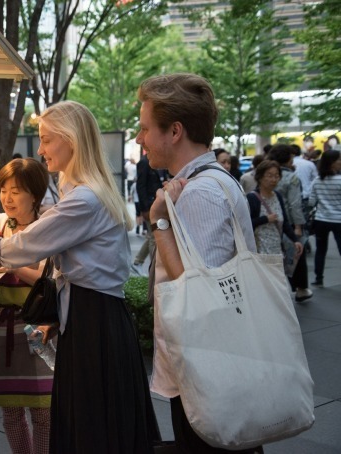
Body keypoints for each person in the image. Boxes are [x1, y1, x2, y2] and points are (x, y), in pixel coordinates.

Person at [0, 101, 160, 453]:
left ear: (70, 140)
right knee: (96, 425)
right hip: (92, 319)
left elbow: (12, 249)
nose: (40, 149)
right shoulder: (84, 193)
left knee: (91, 427)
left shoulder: (82, 201)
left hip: (94, 325)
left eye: (46, 139)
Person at [137, 73, 262, 454]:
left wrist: (159, 221)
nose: (140, 140)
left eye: (144, 129)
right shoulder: (217, 181)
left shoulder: (200, 192)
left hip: (206, 366)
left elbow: (198, 289)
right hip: (220, 359)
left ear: (174, 131)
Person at [0, 158, 53, 454]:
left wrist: (10, 266)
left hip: (38, 326)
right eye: (4, 189)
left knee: (44, 411)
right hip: (0, 325)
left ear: (35, 195)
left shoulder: (46, 227)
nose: (7, 197)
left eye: (16, 191)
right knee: (11, 410)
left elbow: (49, 279)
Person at [267, 144, 313, 302]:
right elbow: (295, 204)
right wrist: (298, 226)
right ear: (288, 158)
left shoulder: (262, 173)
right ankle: (300, 289)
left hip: (268, 221)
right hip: (288, 222)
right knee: (296, 256)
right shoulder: (290, 177)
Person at [246, 161, 303, 259]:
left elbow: (284, 222)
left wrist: (295, 240)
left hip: (277, 249)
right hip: (259, 252)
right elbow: (245, 224)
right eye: (269, 175)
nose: (273, 180)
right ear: (259, 177)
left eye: (277, 176)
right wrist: (265, 219)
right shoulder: (252, 198)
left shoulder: (277, 196)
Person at [308, 148, 341, 287]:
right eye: (339, 159)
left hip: (321, 219)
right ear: (332, 163)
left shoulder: (317, 180)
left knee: (320, 250)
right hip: (338, 220)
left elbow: (311, 202)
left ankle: (318, 277)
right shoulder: (340, 180)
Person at [133, 153, 164, 268]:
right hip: (150, 206)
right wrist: (145, 209)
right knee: (153, 237)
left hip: (158, 205)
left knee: (152, 236)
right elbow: (140, 186)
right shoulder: (144, 162)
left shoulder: (160, 161)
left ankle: (138, 261)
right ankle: (153, 267)